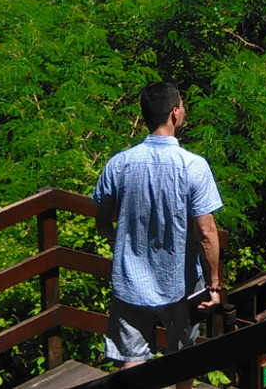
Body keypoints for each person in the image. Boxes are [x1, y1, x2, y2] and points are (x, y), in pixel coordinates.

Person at [91, 80, 224, 369]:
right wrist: (214, 283)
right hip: (181, 283)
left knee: (132, 360)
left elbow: (102, 221)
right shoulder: (194, 166)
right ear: (175, 113)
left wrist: (121, 246)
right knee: (182, 357)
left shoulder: (119, 164)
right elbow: (206, 232)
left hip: (130, 281)